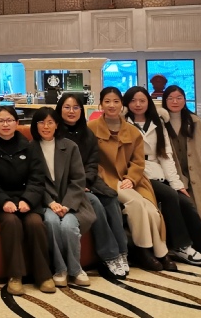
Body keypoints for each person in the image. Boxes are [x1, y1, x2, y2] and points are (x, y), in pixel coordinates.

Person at [88, 87, 175, 272]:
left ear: (122, 105)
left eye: (116, 101)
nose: (112, 105)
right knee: (136, 203)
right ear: (101, 104)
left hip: (132, 179)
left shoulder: (132, 131)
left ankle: (160, 252)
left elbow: (138, 161)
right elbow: (89, 159)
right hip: (107, 178)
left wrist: (131, 178)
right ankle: (143, 251)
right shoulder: (91, 128)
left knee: (152, 211)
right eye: (107, 101)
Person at [55, 93, 128, 278]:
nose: (71, 111)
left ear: (82, 110)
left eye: (76, 107)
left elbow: (92, 163)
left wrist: (85, 181)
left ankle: (122, 252)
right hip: (67, 185)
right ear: (59, 110)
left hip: (88, 181)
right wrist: (79, 184)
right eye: (67, 107)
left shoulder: (88, 133)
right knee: (95, 203)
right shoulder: (55, 133)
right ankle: (110, 255)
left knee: (111, 198)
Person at [0, 106, 53, 295]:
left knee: (35, 223)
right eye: (1, 121)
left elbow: (37, 179)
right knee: (11, 223)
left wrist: (27, 200)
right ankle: (15, 276)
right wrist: (4, 201)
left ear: (17, 123)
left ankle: (43, 275)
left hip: (26, 198)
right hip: (0, 200)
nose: (5, 124)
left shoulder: (30, 146)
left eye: (9, 120)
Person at [31, 107, 95, 288]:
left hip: (73, 202)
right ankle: (60, 269)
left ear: (57, 125)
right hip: (45, 202)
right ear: (35, 125)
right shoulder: (31, 148)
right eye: (41, 122)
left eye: (50, 122)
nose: (46, 126)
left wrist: (66, 205)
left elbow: (78, 180)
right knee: (51, 222)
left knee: (68, 226)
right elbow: (33, 182)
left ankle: (76, 269)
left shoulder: (70, 146)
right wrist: (51, 203)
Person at [160, 85, 201, 263]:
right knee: (185, 206)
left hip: (196, 171)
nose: (175, 101)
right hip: (173, 173)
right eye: (170, 98)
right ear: (165, 101)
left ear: (184, 100)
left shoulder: (194, 121)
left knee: (200, 206)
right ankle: (187, 242)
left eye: (179, 98)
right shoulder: (161, 122)